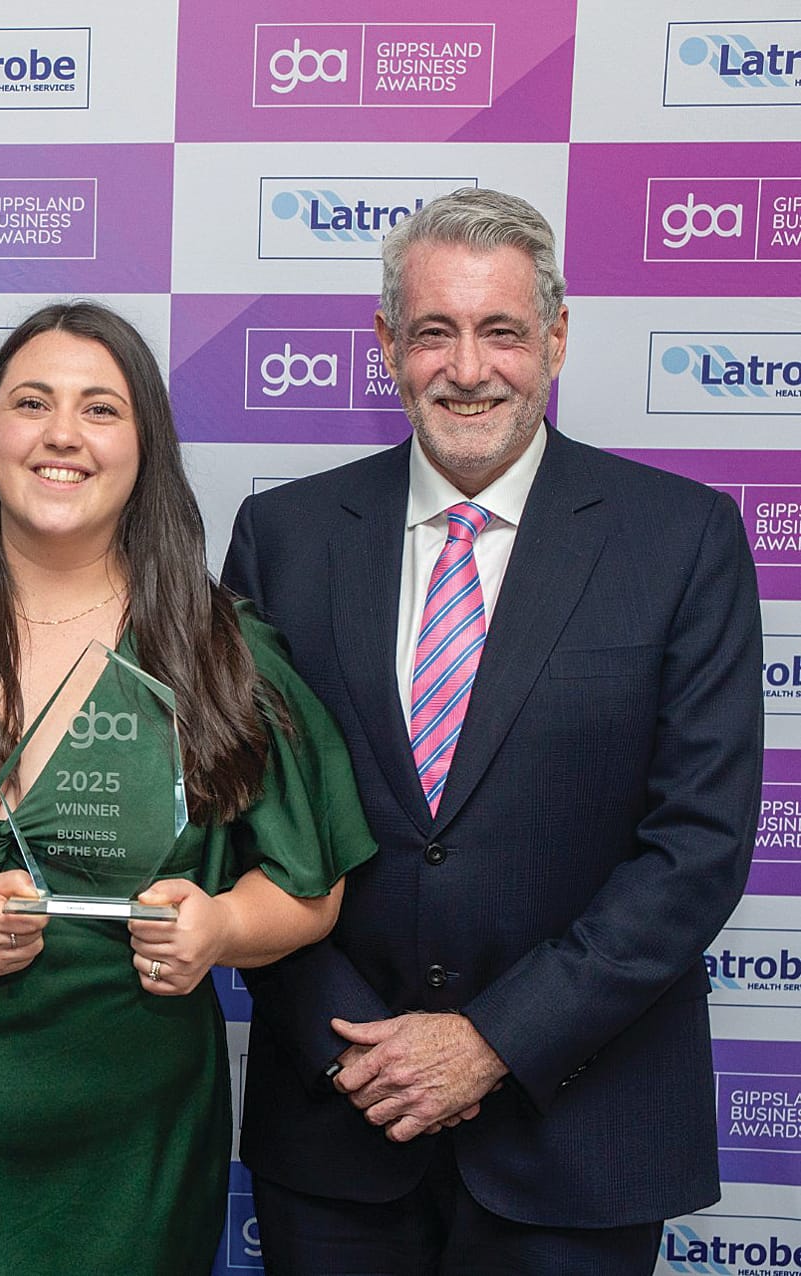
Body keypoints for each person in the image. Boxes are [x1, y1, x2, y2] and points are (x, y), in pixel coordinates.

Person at [221, 187, 762, 1274]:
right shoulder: (284, 536)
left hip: (579, 1130)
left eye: (501, 331)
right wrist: (358, 1052)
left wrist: (490, 1041)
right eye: (433, 331)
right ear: (387, 346)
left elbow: (696, 846)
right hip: (340, 1123)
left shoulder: (679, 537)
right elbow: (239, 814)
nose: (466, 368)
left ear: (554, 339)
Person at [0, 300, 375, 1274]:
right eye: (31, 403)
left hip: (130, 1141)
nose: (61, 433)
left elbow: (309, 883)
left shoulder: (220, 651)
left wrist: (223, 927)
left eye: (99, 409)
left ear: (144, 449)